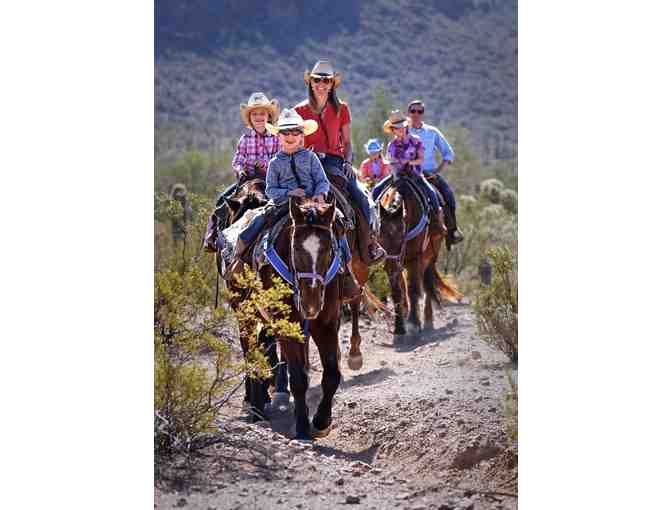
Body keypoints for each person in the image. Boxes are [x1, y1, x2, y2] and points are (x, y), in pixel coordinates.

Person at [226, 108, 359, 298]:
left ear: (302, 136)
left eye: (295, 132)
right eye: (285, 132)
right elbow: (270, 190)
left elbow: (322, 181)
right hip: (283, 204)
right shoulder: (275, 163)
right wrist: (289, 193)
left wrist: (320, 194)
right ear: (278, 136)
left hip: (312, 202)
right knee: (257, 221)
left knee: (338, 221)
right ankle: (239, 258)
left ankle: (346, 270)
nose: (290, 136)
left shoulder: (311, 158)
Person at [294, 60, 385, 263]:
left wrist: (348, 162)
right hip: (308, 163)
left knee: (363, 198)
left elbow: (348, 142)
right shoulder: (299, 111)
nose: (321, 84)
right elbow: (293, 142)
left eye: (326, 80)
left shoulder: (342, 108)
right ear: (310, 82)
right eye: (317, 80)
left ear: (332, 84)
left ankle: (370, 244)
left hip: (335, 163)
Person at [372, 110, 448, 234]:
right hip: (397, 176)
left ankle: (439, 222)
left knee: (432, 192)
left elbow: (421, 159)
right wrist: (395, 166)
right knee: (376, 190)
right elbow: (390, 162)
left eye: (402, 127)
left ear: (406, 126)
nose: (400, 130)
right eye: (397, 128)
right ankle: (372, 220)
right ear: (393, 130)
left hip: (415, 175)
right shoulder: (392, 145)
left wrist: (409, 162)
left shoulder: (416, 141)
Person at [406, 99, 463, 243]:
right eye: (413, 111)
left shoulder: (432, 132)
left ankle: (452, 232)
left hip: (429, 174)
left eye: (419, 111)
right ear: (409, 113)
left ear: (423, 113)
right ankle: (376, 231)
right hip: (407, 174)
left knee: (449, 196)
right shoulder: (403, 130)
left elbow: (448, 153)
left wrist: (437, 171)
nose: (416, 114)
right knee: (383, 195)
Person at [219, 92, 280, 204]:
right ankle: (216, 216)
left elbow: (279, 161)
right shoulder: (245, 139)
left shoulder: (276, 138)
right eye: (254, 114)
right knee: (222, 200)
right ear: (250, 118)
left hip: (271, 182)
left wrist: (265, 165)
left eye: (262, 114)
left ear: (268, 116)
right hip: (248, 181)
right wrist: (240, 171)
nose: (258, 117)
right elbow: (237, 161)